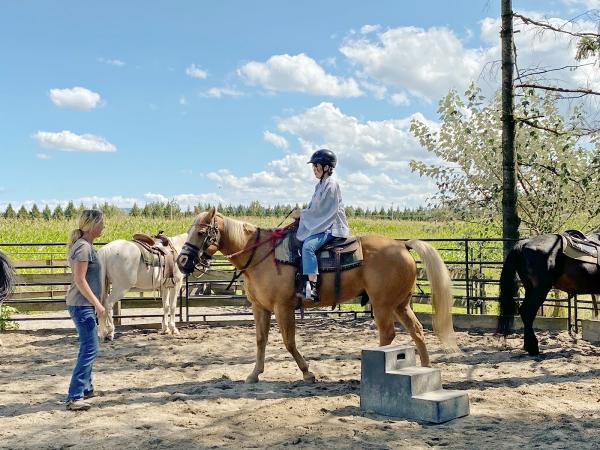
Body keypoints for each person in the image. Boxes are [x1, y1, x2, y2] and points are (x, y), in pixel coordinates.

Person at [292, 149, 349, 303]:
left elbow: (323, 210)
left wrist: (302, 214)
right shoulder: (320, 185)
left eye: (316, 166)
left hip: (332, 227)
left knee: (308, 247)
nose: (314, 170)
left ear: (326, 167)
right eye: (313, 167)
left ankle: (312, 285)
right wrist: (301, 214)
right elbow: (313, 208)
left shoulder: (331, 185)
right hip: (323, 224)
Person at [64, 209, 106, 411]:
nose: (103, 227)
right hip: (83, 305)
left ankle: (86, 388)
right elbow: (80, 280)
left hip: (83, 304)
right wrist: (97, 304)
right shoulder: (83, 248)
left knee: (89, 346)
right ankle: (74, 396)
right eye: (101, 223)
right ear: (92, 225)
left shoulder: (85, 246)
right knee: (89, 348)